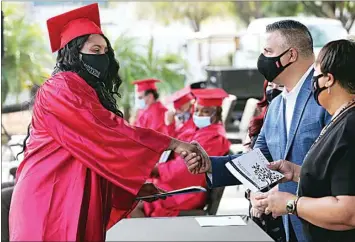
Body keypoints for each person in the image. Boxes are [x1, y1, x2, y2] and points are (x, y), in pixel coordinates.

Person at [9, 4, 208, 241]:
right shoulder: (59, 89)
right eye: (95, 49)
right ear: (74, 53)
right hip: (49, 198)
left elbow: (94, 152)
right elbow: (108, 133)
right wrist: (175, 144)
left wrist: (131, 187)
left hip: (74, 196)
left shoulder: (86, 91)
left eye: (105, 50)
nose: (102, 56)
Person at [184, 20, 332, 242]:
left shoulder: (326, 95)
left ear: (290, 55)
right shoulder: (278, 104)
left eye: (268, 51)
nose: (263, 59)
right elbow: (260, 159)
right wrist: (212, 165)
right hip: (287, 225)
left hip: (325, 225)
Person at [256, 39, 355, 242]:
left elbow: (349, 212)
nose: (312, 81)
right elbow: (336, 178)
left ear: (328, 79)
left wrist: (292, 204)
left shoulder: (350, 126)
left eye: (315, 74)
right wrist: (297, 173)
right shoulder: (341, 119)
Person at [130, 88, 231, 218]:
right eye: (197, 110)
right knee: (135, 191)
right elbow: (176, 142)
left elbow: (186, 169)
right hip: (174, 183)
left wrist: (157, 170)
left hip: (187, 190)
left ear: (216, 114)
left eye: (205, 112)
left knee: (134, 203)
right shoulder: (198, 129)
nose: (199, 115)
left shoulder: (215, 138)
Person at [244, 80, 285, 242]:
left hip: (283, 199)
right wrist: (252, 194)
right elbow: (252, 162)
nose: (273, 90)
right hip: (258, 203)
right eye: (270, 85)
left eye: (280, 86)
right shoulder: (258, 124)